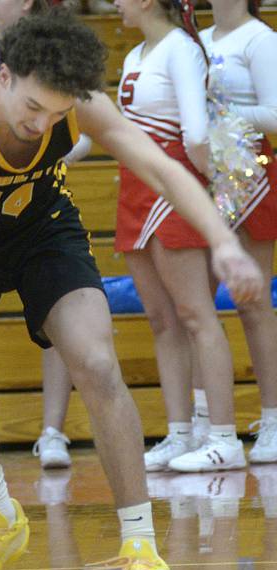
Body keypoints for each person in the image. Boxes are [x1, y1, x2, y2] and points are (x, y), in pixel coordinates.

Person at [0, 9, 261, 570]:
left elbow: (162, 169)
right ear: (5, 74)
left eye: (59, 114)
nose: (44, 124)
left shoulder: (80, 105)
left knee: (96, 363)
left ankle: (144, 554)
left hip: (46, 236)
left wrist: (224, 244)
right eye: (34, 108)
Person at [0, 0, 92, 471]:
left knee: (73, 333)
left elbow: (86, 125)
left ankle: (53, 430)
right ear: (3, 77)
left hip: (36, 215)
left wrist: (48, 148)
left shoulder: (66, 59)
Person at [112, 0, 246, 474]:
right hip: (136, 188)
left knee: (195, 314)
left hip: (173, 187)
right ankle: (180, 432)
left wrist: (210, 194)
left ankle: (225, 437)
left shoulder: (180, 50)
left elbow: (195, 133)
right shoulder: (135, 55)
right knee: (161, 319)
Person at [200, 0, 277, 464]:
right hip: (202, 177)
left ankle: (273, 421)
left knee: (252, 303)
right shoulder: (198, 39)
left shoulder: (261, 39)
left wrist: (216, 113)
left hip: (249, 176)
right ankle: (202, 428)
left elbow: (275, 113)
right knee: (194, 306)